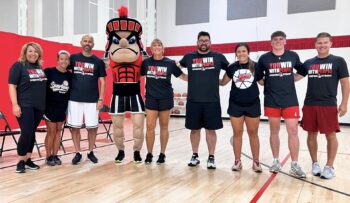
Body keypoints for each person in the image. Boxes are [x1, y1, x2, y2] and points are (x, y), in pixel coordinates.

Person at [255, 31, 307, 178]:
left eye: (281, 39)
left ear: (285, 41)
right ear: (271, 42)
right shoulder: (264, 58)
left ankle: (295, 164)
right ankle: (276, 160)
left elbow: (302, 71)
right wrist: (270, 84)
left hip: (290, 100)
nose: (278, 41)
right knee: (274, 131)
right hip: (272, 100)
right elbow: (259, 79)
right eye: (275, 39)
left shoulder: (293, 56)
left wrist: (292, 80)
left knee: (293, 132)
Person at [301, 32, 349, 179]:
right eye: (319, 43)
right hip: (309, 104)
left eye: (325, 42)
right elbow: (296, 77)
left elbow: (345, 82)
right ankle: (315, 163)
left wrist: (344, 103)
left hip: (328, 105)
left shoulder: (339, 61)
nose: (322, 45)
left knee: (330, 135)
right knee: (311, 134)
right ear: (315, 45)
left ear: (330, 44)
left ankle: (329, 166)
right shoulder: (309, 62)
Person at [179, 31, 229, 169]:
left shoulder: (218, 57)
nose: (203, 43)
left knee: (210, 130)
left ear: (210, 43)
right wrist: (184, 77)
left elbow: (231, 70)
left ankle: (211, 157)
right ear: (197, 42)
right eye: (201, 40)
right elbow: (176, 66)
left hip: (212, 101)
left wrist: (223, 82)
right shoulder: (189, 57)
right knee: (194, 130)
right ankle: (195, 155)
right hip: (193, 101)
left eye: (206, 40)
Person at [104, 7, 146, 163]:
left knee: (138, 126)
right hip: (117, 93)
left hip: (135, 93)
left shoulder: (143, 61)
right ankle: (120, 151)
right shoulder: (109, 61)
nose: (123, 43)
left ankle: (137, 151)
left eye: (130, 40)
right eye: (117, 40)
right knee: (117, 126)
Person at [141, 39, 187, 164]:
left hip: (166, 98)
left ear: (163, 48)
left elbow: (182, 76)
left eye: (159, 45)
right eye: (154, 45)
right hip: (151, 98)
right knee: (150, 127)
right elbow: (138, 76)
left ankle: (162, 154)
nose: (156, 47)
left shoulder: (170, 63)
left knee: (164, 127)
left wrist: (197, 78)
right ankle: (149, 154)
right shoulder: (145, 63)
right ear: (151, 48)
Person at [220, 43, 262, 172]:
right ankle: (237, 162)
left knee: (253, 133)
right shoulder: (232, 67)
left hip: (253, 104)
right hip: (236, 105)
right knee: (237, 133)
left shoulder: (256, 66)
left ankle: (256, 162)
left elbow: (261, 82)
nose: (241, 54)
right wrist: (204, 79)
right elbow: (223, 82)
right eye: (239, 52)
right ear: (236, 54)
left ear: (248, 52)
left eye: (244, 51)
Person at [67, 35, 106, 165]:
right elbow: (65, 72)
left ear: (93, 44)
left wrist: (101, 99)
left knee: (92, 128)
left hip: (92, 99)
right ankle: (77, 152)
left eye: (90, 41)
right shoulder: (73, 58)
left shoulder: (98, 61)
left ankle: (90, 152)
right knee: (75, 127)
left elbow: (103, 81)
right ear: (81, 43)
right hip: (74, 98)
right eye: (85, 41)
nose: (87, 43)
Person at [8, 42, 47, 173]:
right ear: (25, 52)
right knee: (26, 132)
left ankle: (28, 159)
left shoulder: (39, 67)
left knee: (31, 132)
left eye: (36, 51)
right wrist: (15, 105)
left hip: (39, 106)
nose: (33, 54)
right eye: (30, 51)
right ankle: (20, 161)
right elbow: (12, 86)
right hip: (25, 105)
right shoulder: (19, 66)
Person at [43, 50, 72, 166]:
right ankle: (48, 156)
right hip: (49, 107)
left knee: (58, 131)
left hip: (62, 107)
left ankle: (55, 155)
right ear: (58, 60)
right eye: (62, 59)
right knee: (51, 131)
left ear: (68, 61)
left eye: (66, 59)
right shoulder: (49, 72)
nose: (64, 61)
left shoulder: (70, 76)